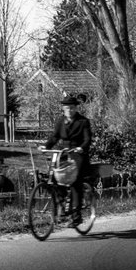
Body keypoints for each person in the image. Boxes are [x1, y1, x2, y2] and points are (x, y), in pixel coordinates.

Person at [44, 93, 92, 226]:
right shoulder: (60, 121)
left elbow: (87, 139)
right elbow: (54, 137)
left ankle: (76, 216)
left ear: (76, 108)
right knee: (54, 177)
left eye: (71, 108)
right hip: (63, 152)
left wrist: (81, 148)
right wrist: (46, 146)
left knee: (75, 181)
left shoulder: (83, 121)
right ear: (63, 109)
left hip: (78, 153)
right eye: (66, 108)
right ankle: (61, 205)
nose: (69, 111)